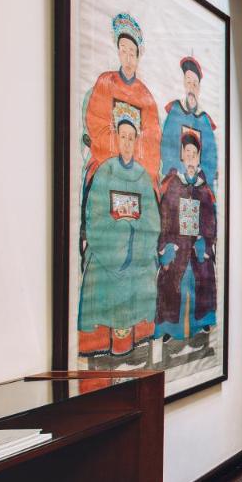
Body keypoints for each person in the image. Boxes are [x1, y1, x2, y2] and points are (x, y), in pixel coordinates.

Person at [77, 108, 161, 357]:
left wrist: (134, 236)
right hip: (109, 249)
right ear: (117, 139)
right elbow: (94, 215)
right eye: (122, 137)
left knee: (146, 272)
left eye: (130, 138)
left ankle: (138, 344)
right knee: (97, 272)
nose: (126, 142)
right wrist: (120, 232)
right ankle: (100, 347)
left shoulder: (143, 178)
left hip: (136, 249)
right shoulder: (105, 172)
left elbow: (152, 221)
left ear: (136, 142)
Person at [81, 13, 162, 188]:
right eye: (124, 51)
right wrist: (121, 154)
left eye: (132, 53)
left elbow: (152, 142)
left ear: (138, 56)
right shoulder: (105, 82)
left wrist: (133, 161)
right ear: (118, 52)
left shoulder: (146, 97)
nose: (128, 58)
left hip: (138, 170)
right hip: (106, 163)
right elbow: (96, 126)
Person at [155, 130, 218, 342]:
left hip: (197, 248)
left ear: (198, 157)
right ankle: (169, 327)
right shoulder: (173, 183)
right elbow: (165, 216)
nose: (191, 157)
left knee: (203, 277)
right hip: (177, 247)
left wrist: (205, 243)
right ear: (182, 155)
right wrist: (166, 245)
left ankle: (203, 321)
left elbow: (210, 221)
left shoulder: (204, 189)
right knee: (170, 281)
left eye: (194, 153)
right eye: (187, 152)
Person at [161, 56, 218, 188]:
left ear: (199, 88)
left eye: (195, 84)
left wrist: (200, 178)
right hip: (176, 181)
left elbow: (211, 158)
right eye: (188, 82)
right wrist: (177, 174)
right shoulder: (175, 110)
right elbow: (166, 147)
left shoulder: (204, 120)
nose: (191, 88)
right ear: (184, 83)